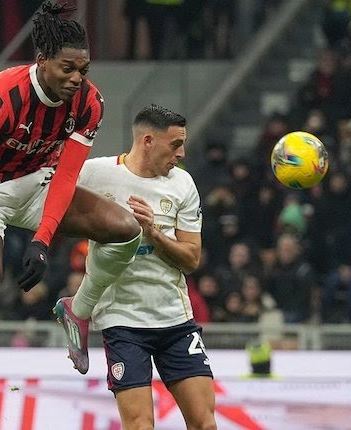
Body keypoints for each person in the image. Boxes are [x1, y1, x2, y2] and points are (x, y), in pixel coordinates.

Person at [0, 3, 142, 429]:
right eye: (68, 68)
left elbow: (66, 176)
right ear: (43, 60)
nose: (77, 78)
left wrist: (42, 240)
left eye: (83, 69)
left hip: (39, 183)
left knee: (126, 231)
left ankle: (78, 310)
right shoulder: (2, 95)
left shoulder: (90, 102)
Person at [55, 105, 216, 430]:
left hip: (175, 320)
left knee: (205, 424)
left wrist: (153, 232)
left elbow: (191, 259)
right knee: (141, 426)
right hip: (123, 322)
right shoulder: (96, 174)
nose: (181, 153)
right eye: (175, 145)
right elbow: (52, 200)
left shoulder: (182, 185)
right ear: (147, 141)